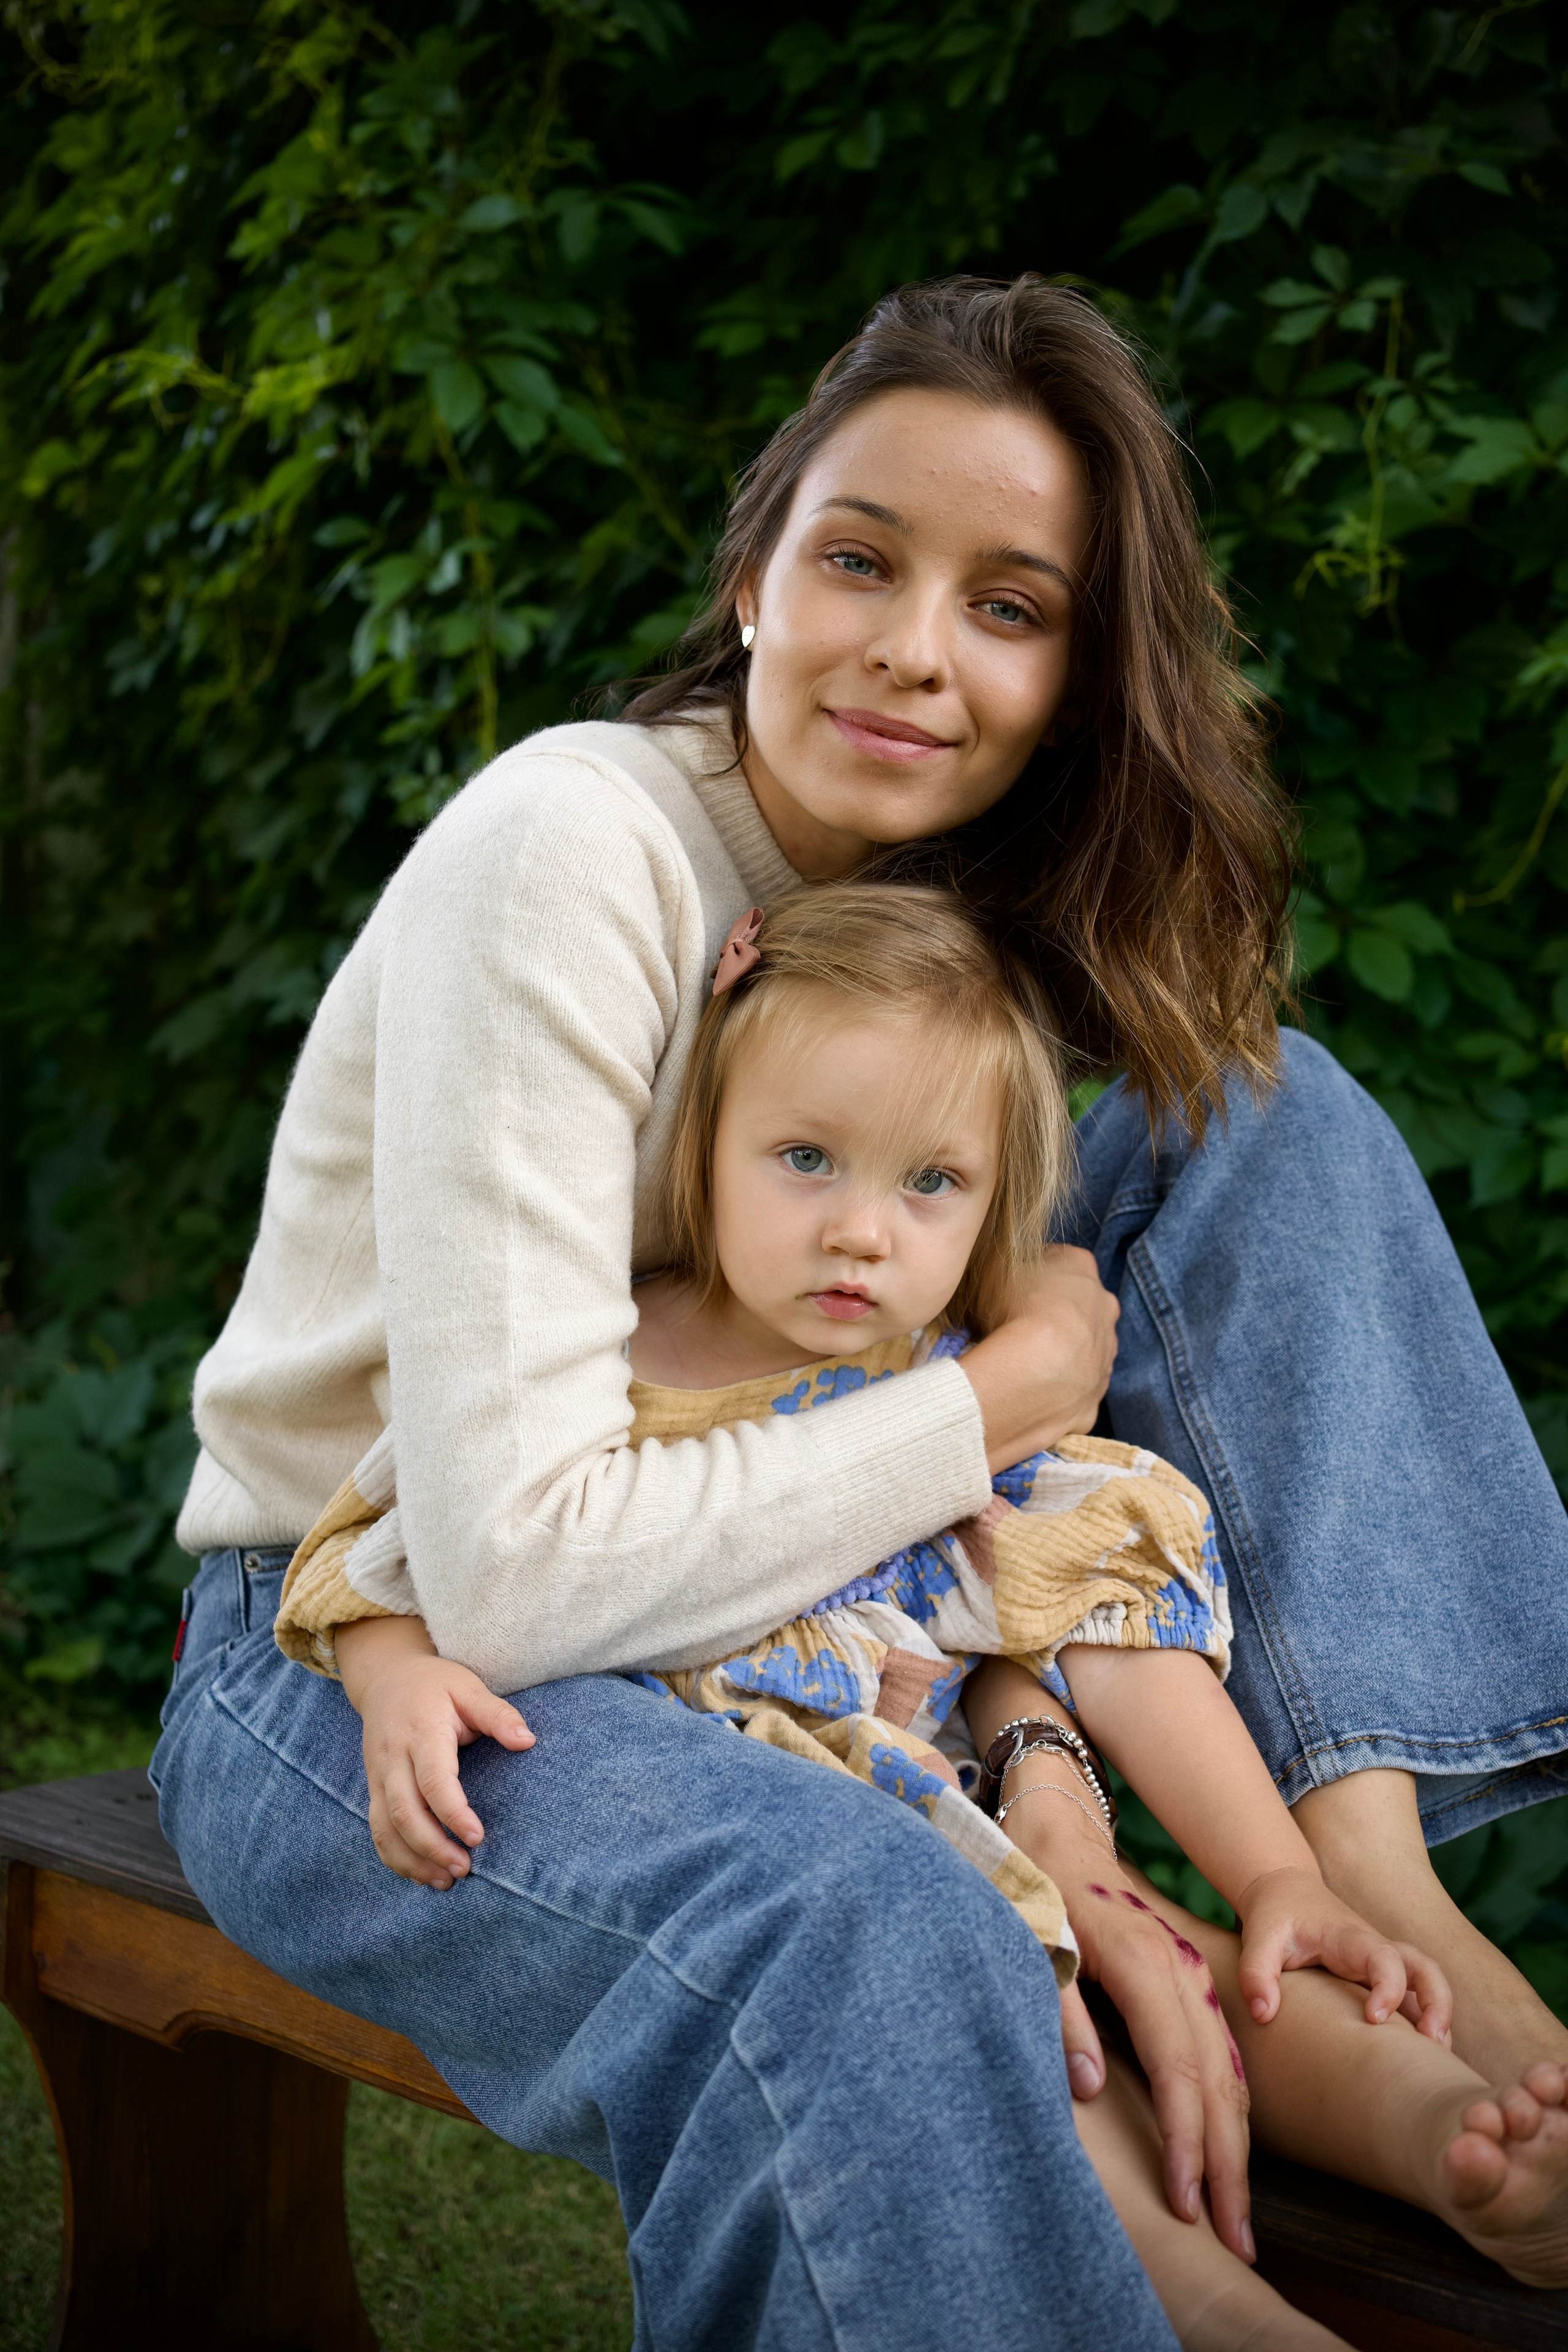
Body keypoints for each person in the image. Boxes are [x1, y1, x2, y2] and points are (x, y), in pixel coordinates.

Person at [151, 276, 1568, 2351]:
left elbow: (978, 1529)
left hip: (803, 1614)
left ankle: (1370, 1892)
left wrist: (1043, 1755)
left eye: (1010, 606)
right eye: (860, 561)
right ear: (753, 578)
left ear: (1076, 676)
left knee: (1260, 1110)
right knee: (860, 1919)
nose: (917, 649)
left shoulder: (941, 930)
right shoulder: (576, 847)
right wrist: (1003, 1395)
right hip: (374, 1657)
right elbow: (515, 1574)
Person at [271, 877, 1568, 2341]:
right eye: (804, 1159)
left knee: (1233, 1986)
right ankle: (1204, 2300)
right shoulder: (597, 1368)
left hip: (960, 1810)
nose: (860, 1234)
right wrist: (390, 1669)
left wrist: (1274, 1875)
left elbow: (1106, 1630)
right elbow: (390, 1543)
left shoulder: (945, 1396)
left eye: (929, 1185)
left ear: (997, 1205)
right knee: (1013, 2032)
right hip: (799, 1841)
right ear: (697, 1143)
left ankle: (1450, 2140)